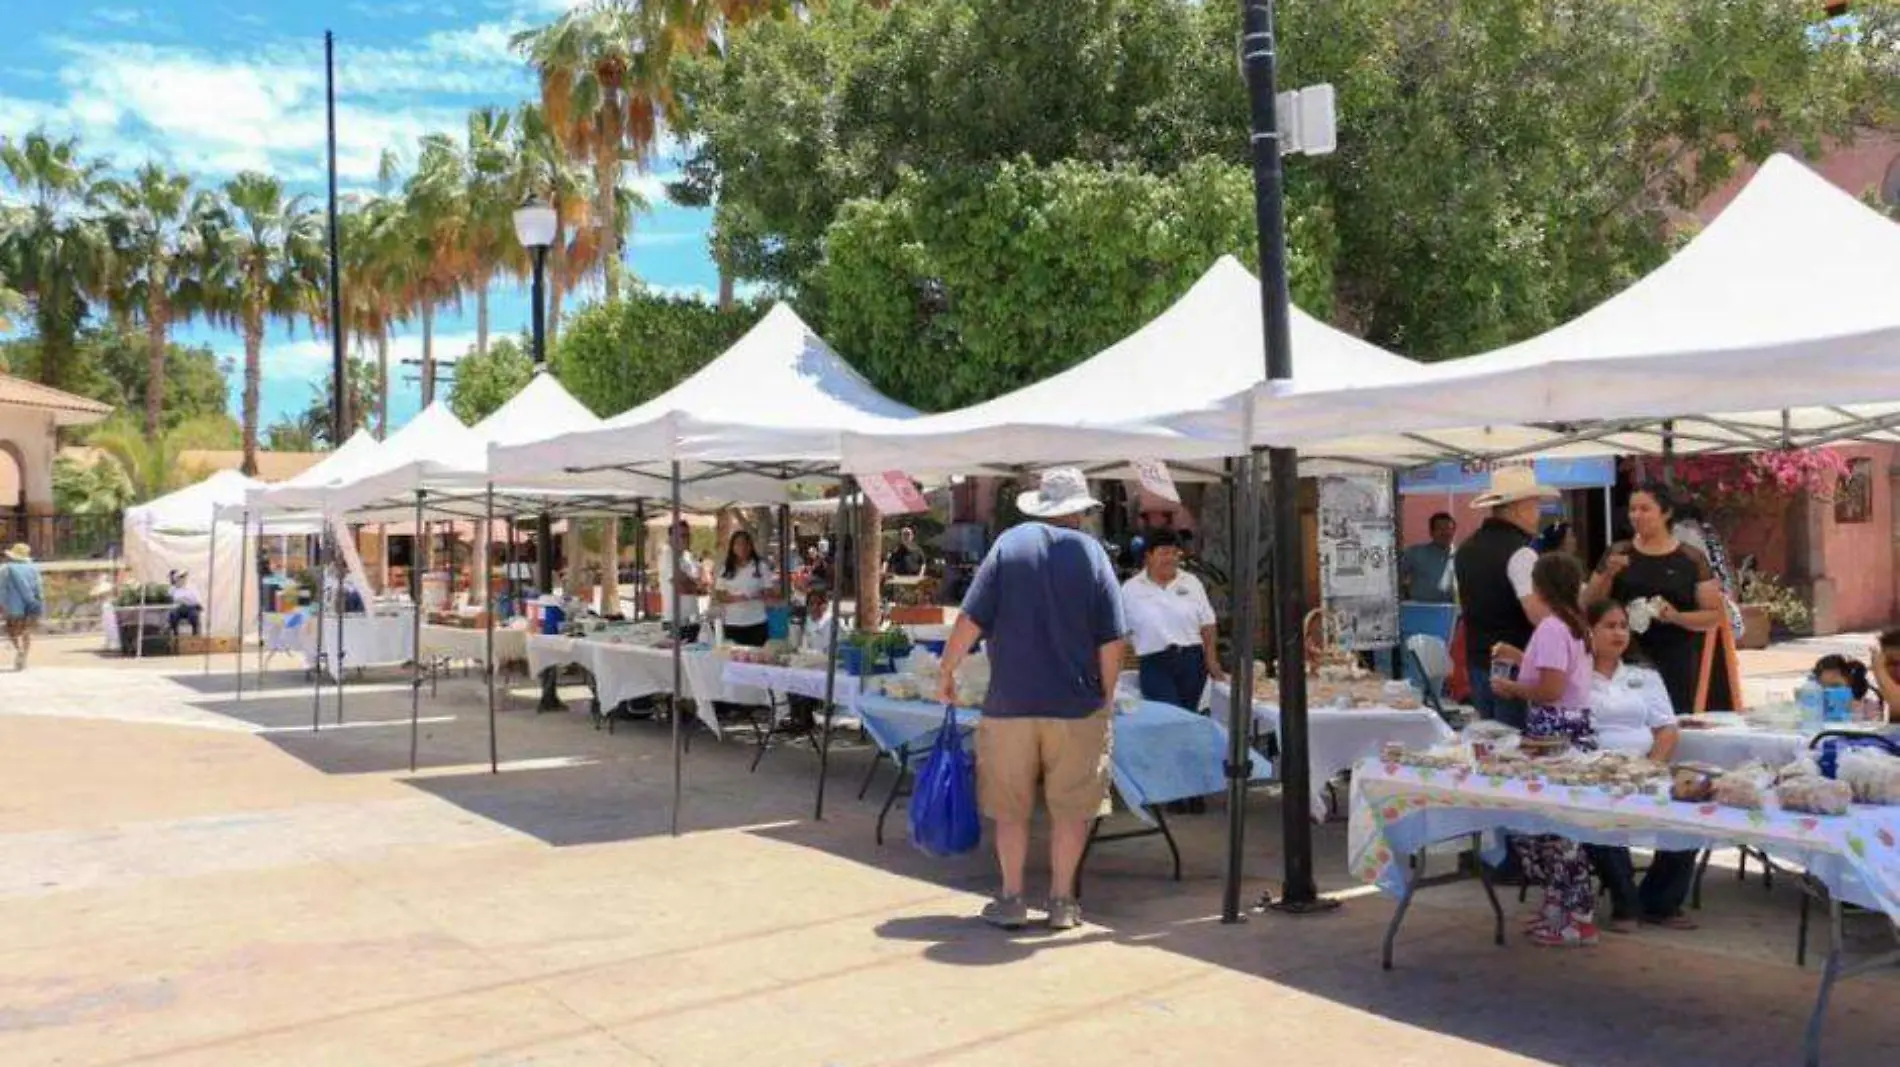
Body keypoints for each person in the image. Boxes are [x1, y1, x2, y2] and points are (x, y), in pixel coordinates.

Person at [938, 467, 1126, 933]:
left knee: (1010, 809)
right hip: (1076, 706)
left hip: (1010, 704)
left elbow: (970, 619)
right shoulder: (1094, 556)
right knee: (1072, 810)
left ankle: (1012, 898)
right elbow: (1112, 640)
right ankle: (1062, 902)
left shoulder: (1009, 545)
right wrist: (1105, 697)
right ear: (1080, 512)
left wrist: (946, 670)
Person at [1489, 553, 1598, 947]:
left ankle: (1577, 915)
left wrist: (1511, 687)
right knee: (1553, 826)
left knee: (1552, 829)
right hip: (1571, 727)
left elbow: (1550, 690)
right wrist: (1521, 659)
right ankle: (1562, 907)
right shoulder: (1572, 624)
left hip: (1555, 732)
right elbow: (1556, 674)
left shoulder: (1553, 627)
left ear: (1540, 586)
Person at [1580, 599, 1697, 931]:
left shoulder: (1644, 676)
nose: (1618, 633)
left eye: (1623, 626)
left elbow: (1667, 729)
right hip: (1596, 771)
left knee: (1689, 814)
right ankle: (1625, 902)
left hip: (1645, 769)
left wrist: (1649, 767)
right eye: (1609, 626)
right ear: (1589, 632)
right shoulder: (1577, 677)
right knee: (1596, 814)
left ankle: (1659, 901)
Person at [1585, 482, 1727, 713]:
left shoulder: (1691, 559)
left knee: (1671, 721)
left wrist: (1676, 617)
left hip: (1675, 658)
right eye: (1632, 509)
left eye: (1644, 509)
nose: (1636, 516)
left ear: (1666, 513)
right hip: (1625, 658)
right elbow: (1589, 604)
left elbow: (1714, 615)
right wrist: (1607, 575)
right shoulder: (1618, 553)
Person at [1452, 468, 1556, 730]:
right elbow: (1536, 614)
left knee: (1489, 743)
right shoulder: (1521, 553)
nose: (1538, 513)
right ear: (1517, 508)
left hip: (1477, 659)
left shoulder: (1465, 549)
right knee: (1516, 746)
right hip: (1515, 665)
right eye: (1535, 506)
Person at [1121, 529, 1226, 710]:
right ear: (1149, 556)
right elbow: (1119, 631)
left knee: (1190, 715)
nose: (1170, 559)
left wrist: (1211, 659)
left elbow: (1207, 623)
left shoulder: (1191, 582)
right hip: (1154, 662)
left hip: (1191, 660)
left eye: (1174, 553)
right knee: (1168, 715)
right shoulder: (1130, 589)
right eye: (1163, 553)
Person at [713, 530, 777, 648]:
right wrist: (734, 598)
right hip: (733, 623)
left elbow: (771, 592)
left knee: (757, 660)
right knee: (735, 662)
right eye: (738, 544)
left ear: (750, 546)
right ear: (732, 547)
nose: (742, 547)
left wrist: (759, 594)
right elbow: (719, 594)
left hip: (757, 622)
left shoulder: (761, 566)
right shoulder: (725, 569)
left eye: (745, 544)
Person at [0, 543, 45, 671]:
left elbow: (1, 589)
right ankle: (24, 657)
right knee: (26, 631)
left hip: (13, 606)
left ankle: (18, 650)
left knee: (11, 630)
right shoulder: (33, 569)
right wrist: (39, 604)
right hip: (30, 605)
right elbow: (39, 588)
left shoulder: (6, 569)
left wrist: (2, 604)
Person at [658, 520, 704, 643]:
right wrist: (696, 586)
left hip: (692, 620)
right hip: (675, 621)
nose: (686, 539)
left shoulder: (688, 556)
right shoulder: (667, 555)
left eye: (688, 535)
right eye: (682, 535)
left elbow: (700, 585)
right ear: (671, 537)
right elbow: (681, 588)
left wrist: (693, 584)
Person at [1400, 512, 1457, 604]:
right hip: (1420, 609)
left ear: (1454, 531)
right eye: (1440, 529)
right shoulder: (1415, 553)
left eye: (1448, 528)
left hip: (1450, 610)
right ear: (1431, 532)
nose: (1445, 532)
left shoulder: (1460, 556)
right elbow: (1396, 578)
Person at [1814, 654, 1881, 721]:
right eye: (1823, 688)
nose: (1829, 693)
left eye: (1835, 686)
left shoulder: (1869, 707)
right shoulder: (1817, 706)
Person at [167, 570, 203, 636]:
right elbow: (169, 599)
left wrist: (186, 600)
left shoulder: (192, 588)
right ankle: (175, 634)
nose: (180, 580)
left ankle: (195, 633)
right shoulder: (173, 589)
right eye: (178, 578)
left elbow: (197, 601)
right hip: (178, 609)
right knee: (172, 615)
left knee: (194, 615)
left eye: (182, 578)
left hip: (190, 608)